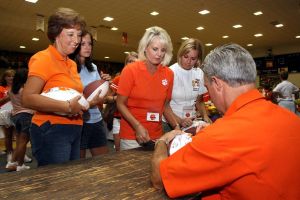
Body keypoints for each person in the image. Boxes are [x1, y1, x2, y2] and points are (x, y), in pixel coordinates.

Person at [151, 43, 300, 199]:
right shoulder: (293, 121)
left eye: (208, 87)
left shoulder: (221, 135)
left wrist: (162, 141)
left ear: (217, 84)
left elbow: (159, 178)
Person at [22, 8, 87, 166]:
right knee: (55, 186)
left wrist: (88, 102)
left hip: (75, 127)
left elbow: (70, 96)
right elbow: (28, 98)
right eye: (71, 34)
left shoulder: (71, 63)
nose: (77, 40)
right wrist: (66, 107)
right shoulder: (43, 58)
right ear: (56, 34)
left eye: (78, 35)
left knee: (69, 182)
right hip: (52, 129)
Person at [116, 26, 175, 150]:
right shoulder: (130, 70)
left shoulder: (169, 74)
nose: (159, 54)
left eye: (163, 50)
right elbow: (120, 103)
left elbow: (165, 106)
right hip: (132, 136)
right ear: (145, 48)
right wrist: (137, 126)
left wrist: (177, 127)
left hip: (157, 136)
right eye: (155, 49)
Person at [71, 31, 110, 158]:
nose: (88, 47)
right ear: (75, 45)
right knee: (79, 165)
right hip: (78, 121)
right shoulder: (69, 68)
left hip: (96, 119)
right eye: (83, 44)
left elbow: (102, 97)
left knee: (103, 162)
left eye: (90, 44)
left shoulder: (93, 67)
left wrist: (105, 83)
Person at [163, 38, 211, 133]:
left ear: (198, 59)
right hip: (170, 124)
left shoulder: (199, 73)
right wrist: (180, 121)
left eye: (193, 59)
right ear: (180, 54)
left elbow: (199, 101)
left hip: (190, 122)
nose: (189, 61)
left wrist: (205, 116)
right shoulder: (170, 72)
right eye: (186, 57)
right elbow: (164, 106)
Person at [104, 52, 138, 151]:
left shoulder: (141, 80)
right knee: (118, 149)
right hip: (118, 118)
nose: (132, 64)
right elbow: (107, 98)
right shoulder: (118, 79)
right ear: (125, 63)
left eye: (135, 62)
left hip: (134, 119)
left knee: (134, 149)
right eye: (130, 62)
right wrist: (118, 98)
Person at [6, 68, 34, 171]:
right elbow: (31, 103)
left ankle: (12, 162)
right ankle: (20, 165)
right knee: (23, 142)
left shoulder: (11, 90)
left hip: (15, 116)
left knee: (19, 141)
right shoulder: (24, 90)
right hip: (26, 116)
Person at [0, 69, 15, 162]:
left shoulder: (18, 87)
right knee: (8, 135)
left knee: (19, 135)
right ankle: (10, 154)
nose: (11, 78)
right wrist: (8, 96)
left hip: (17, 112)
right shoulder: (1, 88)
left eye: (13, 76)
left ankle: (20, 153)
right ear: (5, 78)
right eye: (9, 76)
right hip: (5, 113)